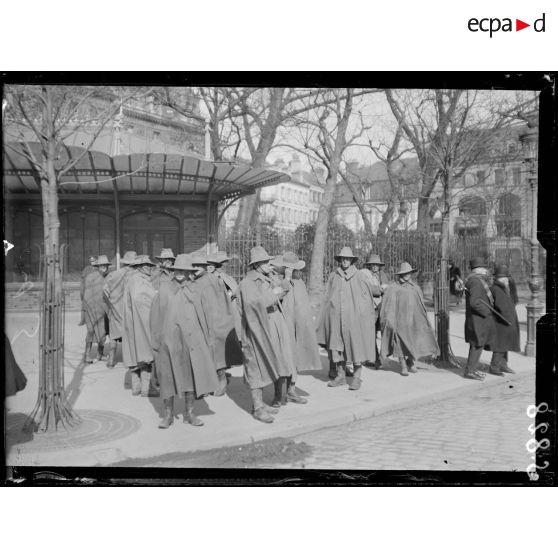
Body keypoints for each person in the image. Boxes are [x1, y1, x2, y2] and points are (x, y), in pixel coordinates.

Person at [150, 254, 219, 429]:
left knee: (190, 376)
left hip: (191, 341)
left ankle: (189, 413)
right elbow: (156, 317)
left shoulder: (196, 290)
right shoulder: (164, 289)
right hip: (169, 341)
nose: (180, 273)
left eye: (184, 270)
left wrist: (206, 338)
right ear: (173, 271)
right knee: (168, 378)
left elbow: (205, 315)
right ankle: (167, 415)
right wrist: (157, 343)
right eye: (177, 270)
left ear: (190, 273)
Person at [237, 246, 296, 423]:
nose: (268, 264)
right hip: (255, 330)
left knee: (264, 365)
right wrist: (273, 295)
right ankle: (257, 408)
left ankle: (261, 404)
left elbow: (281, 291)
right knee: (255, 367)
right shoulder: (248, 283)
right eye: (265, 262)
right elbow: (252, 305)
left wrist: (283, 283)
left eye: (268, 261)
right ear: (256, 265)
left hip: (266, 328)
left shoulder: (264, 279)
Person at [316, 246, 379, 391]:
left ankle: (356, 378)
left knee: (356, 346)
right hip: (337, 318)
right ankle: (341, 376)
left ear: (352, 260)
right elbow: (327, 297)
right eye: (343, 259)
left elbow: (366, 299)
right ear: (340, 260)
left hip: (354, 319)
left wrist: (362, 316)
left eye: (347, 259)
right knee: (338, 347)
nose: (345, 261)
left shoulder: (359, 276)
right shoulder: (334, 276)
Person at [271, 251, 322, 403]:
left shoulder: (299, 283)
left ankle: (291, 390)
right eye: (290, 268)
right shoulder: (276, 281)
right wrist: (286, 279)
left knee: (295, 357)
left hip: (297, 327)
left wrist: (305, 325)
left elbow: (302, 306)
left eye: (294, 269)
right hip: (282, 326)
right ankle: (278, 395)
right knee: (282, 359)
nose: (294, 271)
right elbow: (275, 299)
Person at [380, 262, 439, 376]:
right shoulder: (393, 288)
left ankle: (410, 361)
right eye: (405, 273)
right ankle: (403, 364)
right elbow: (388, 307)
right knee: (399, 343)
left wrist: (420, 320)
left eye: (409, 273)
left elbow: (420, 306)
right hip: (398, 322)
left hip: (412, 321)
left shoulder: (415, 288)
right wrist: (390, 320)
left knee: (412, 341)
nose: (407, 275)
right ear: (400, 274)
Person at [191, 252, 237, 397]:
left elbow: (217, 304)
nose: (196, 268)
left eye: (200, 265)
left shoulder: (212, 280)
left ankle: (221, 381)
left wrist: (215, 324)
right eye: (194, 266)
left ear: (206, 267)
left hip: (214, 322)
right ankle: (205, 385)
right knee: (203, 355)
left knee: (216, 355)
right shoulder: (195, 281)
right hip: (200, 322)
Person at [122, 254, 158, 396]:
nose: (150, 268)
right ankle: (147, 388)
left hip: (132, 322)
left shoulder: (131, 279)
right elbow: (140, 300)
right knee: (146, 353)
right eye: (147, 265)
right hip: (142, 322)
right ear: (141, 267)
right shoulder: (139, 280)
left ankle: (136, 386)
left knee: (134, 352)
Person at [206, 251, 244, 376]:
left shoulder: (225, 276)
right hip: (220, 314)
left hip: (231, 313)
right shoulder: (215, 277)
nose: (226, 264)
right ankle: (218, 371)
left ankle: (223, 367)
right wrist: (229, 295)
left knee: (228, 342)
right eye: (224, 262)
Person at [463, 257, 498, 381]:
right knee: (477, 345)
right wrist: (487, 312)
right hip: (478, 319)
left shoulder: (476, 280)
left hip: (477, 319)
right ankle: (470, 371)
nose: (486, 271)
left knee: (478, 344)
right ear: (479, 270)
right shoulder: (476, 282)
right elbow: (475, 303)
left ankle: (472, 369)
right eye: (484, 268)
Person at [102, 251, 137, 368]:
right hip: (130, 311)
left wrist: (111, 305)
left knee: (113, 336)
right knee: (131, 336)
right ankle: (130, 361)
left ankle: (111, 360)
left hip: (115, 310)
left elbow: (105, 291)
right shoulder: (136, 276)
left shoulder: (113, 275)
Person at [489, 264, 520, 374]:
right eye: (506, 278)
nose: (508, 280)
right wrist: (509, 318)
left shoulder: (504, 288)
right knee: (500, 344)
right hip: (501, 321)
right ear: (501, 279)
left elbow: (514, 300)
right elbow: (501, 306)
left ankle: (503, 365)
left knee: (505, 344)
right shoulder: (497, 289)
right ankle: (494, 367)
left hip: (506, 320)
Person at [361, 254, 389, 369]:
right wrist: (378, 290)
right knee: (370, 334)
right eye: (373, 264)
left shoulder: (383, 275)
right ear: (369, 265)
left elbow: (387, 288)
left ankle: (381, 357)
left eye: (377, 265)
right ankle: (375, 359)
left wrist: (381, 290)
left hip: (381, 307)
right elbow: (367, 289)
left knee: (383, 333)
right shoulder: (364, 274)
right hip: (370, 307)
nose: (375, 267)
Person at [81, 254, 111, 363]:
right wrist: (86, 308)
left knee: (102, 332)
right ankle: (87, 355)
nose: (104, 267)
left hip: (103, 310)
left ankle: (100, 354)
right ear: (98, 266)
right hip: (91, 309)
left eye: (105, 266)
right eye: (102, 265)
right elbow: (84, 293)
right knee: (90, 331)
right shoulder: (90, 277)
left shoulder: (108, 278)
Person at [78, 256, 97, 326]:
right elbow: (83, 279)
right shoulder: (87, 269)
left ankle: (94, 319)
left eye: (93, 260)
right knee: (84, 305)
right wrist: (82, 291)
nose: (92, 262)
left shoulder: (98, 269)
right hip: (87, 289)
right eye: (91, 261)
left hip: (95, 289)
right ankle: (83, 319)